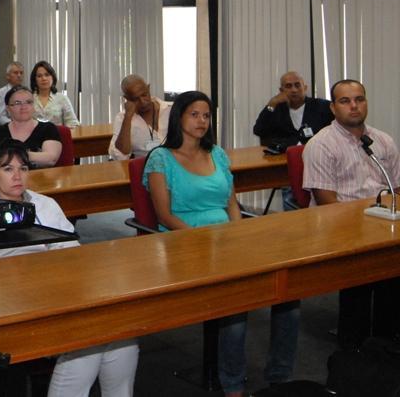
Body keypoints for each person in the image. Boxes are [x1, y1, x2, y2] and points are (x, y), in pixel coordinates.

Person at [144, 91, 298, 397]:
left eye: (206, 115)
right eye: (194, 115)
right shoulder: (161, 158)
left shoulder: (217, 154)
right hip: (185, 241)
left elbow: (231, 203)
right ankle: (233, 384)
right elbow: (164, 215)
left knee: (289, 297)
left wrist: (237, 237)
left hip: (226, 240)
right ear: (179, 118)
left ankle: (280, 377)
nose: (202, 121)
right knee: (236, 306)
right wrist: (202, 242)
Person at [0, 141, 137, 397]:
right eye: (7, 169)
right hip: (12, 301)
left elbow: (72, 251)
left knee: (123, 337)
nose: (17, 176)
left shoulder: (45, 204)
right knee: (87, 343)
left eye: (23, 169)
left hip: (59, 286)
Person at [302, 78, 400, 349]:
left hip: (383, 225)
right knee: (362, 292)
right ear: (333, 108)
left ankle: (386, 348)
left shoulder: (382, 140)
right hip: (342, 230)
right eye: (345, 101)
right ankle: (354, 354)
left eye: (359, 99)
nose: (354, 106)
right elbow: (328, 206)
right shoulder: (322, 145)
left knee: (392, 285)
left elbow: (397, 191)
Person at [253, 71, 333, 210]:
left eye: (297, 85)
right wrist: (272, 103)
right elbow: (259, 130)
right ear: (281, 90)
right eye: (288, 86)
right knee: (291, 190)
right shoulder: (277, 108)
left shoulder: (322, 106)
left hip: (318, 160)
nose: (294, 90)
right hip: (287, 161)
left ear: (305, 87)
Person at [0, 85, 62, 171]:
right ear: (8, 109)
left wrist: (12, 156)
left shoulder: (48, 128)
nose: (23, 107)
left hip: (40, 180)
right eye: (17, 103)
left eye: (29, 102)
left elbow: (51, 159)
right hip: (6, 182)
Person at [108, 74, 171, 160]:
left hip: (175, 164)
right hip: (145, 167)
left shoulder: (170, 109)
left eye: (144, 95)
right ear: (127, 98)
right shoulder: (122, 118)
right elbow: (120, 155)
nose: (142, 102)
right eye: (135, 99)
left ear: (148, 88)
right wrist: (128, 117)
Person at [30, 60, 79, 127]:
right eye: (39, 76)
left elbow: (73, 123)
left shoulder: (62, 98)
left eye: (47, 75)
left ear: (52, 77)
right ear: (35, 80)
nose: (44, 78)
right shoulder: (29, 99)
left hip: (57, 136)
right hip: (35, 137)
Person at [0, 61, 24, 125]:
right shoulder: (0, 94)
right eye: (15, 73)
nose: (19, 75)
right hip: (9, 128)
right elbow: (0, 118)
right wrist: (17, 125)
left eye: (21, 73)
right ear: (8, 76)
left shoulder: (27, 93)